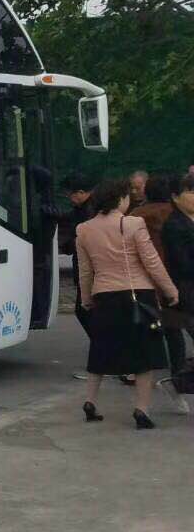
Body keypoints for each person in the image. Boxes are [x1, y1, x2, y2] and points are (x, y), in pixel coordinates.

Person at [76, 177, 179, 428]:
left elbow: (85, 271)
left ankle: (90, 401)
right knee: (144, 353)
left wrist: (87, 298)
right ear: (120, 198)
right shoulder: (133, 224)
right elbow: (151, 262)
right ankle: (141, 410)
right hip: (137, 295)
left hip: (104, 295)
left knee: (100, 350)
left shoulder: (84, 229)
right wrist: (170, 290)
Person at [131, 175, 191, 411]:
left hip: (149, 284)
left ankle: (165, 382)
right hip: (178, 284)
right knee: (175, 334)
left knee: (164, 333)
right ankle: (177, 382)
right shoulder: (178, 217)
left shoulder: (136, 217)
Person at [161, 174, 194, 393]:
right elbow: (182, 262)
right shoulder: (174, 225)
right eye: (191, 192)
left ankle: (181, 378)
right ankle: (180, 379)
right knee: (175, 335)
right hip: (182, 290)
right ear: (175, 197)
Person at [58, 174, 95, 338]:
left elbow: (83, 239)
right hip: (85, 268)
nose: (69, 199)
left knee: (84, 310)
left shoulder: (90, 211)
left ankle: (102, 344)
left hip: (89, 269)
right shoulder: (83, 209)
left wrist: (68, 245)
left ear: (80, 192)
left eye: (70, 195)